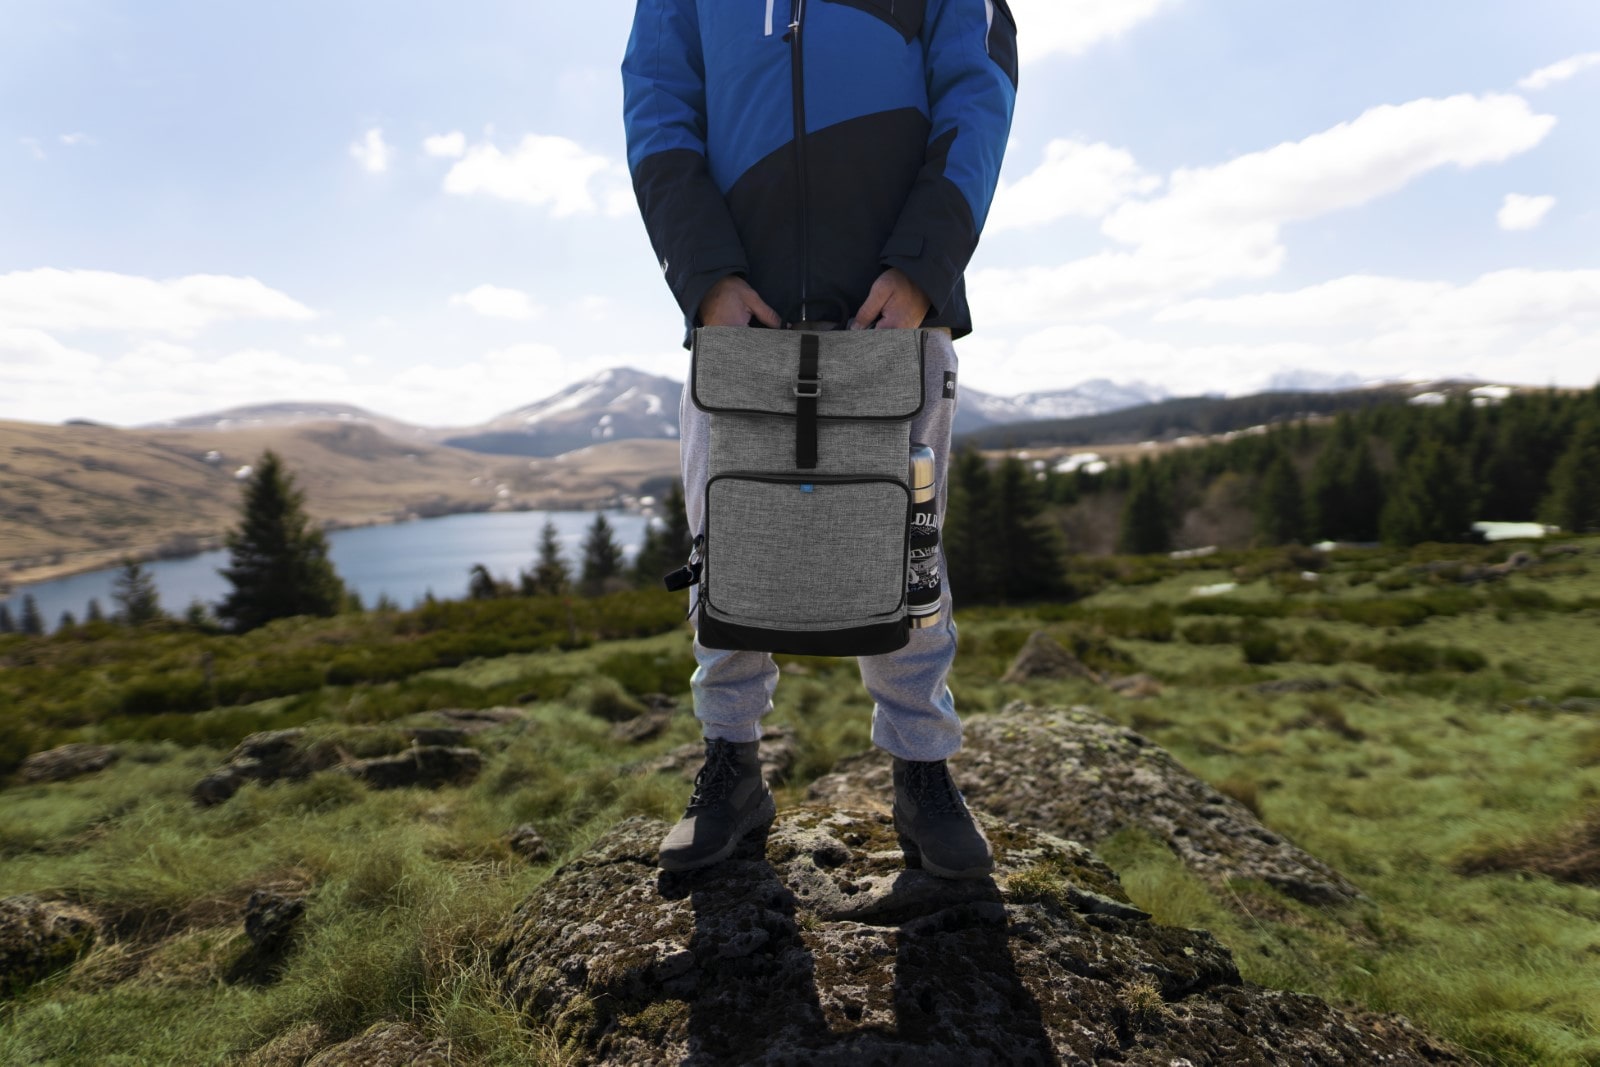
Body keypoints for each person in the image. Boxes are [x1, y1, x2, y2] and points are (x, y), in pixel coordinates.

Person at [622, 0, 1017, 879]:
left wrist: (922, 267)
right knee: (721, 542)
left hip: (896, 312)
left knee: (908, 547)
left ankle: (922, 770)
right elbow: (656, 102)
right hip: (736, 317)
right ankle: (731, 764)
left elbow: (978, 93)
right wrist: (707, 277)